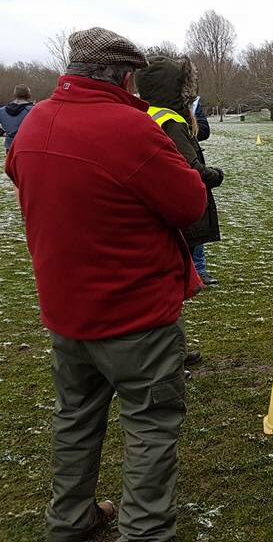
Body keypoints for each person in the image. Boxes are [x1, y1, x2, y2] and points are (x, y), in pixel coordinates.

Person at [5, 27, 208, 541]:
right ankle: (144, 532)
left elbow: (22, 177)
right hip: (136, 316)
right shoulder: (129, 128)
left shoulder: (32, 125)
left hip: (66, 313)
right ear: (125, 75)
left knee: (74, 420)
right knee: (150, 425)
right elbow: (190, 204)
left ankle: (69, 521)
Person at [136, 55, 224, 366]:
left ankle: (171, 352)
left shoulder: (143, 113)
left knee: (162, 287)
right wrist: (214, 175)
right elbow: (191, 169)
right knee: (169, 289)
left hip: (153, 213)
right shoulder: (170, 121)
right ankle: (168, 358)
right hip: (172, 215)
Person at [190, 95, 217, 284]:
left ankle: (199, 268)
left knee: (196, 213)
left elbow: (204, 130)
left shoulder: (193, 102)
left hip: (192, 161)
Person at [0, 84, 35, 151]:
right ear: (27, 94)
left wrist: (3, 133)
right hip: (27, 146)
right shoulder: (33, 110)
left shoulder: (2, 110)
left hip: (10, 146)